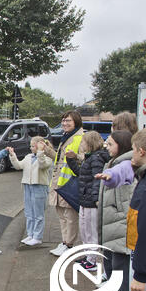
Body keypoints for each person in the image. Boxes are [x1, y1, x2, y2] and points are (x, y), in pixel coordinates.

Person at [110, 129, 146, 291]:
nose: (131, 155)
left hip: (142, 257)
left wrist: (141, 274)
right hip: (138, 251)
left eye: (133, 150)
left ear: (141, 151)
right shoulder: (142, 173)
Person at [93, 131, 135, 291]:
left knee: (120, 265)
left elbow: (118, 174)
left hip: (120, 223)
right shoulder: (114, 161)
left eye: (110, 144)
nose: (106, 147)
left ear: (122, 144)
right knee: (111, 262)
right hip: (112, 223)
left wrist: (109, 175)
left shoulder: (125, 163)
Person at [65, 131, 108, 267]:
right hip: (85, 199)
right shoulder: (90, 157)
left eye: (83, 142)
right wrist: (71, 159)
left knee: (91, 231)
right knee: (85, 229)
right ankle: (89, 256)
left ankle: (92, 260)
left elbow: (97, 179)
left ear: (90, 143)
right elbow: (80, 173)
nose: (81, 144)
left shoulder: (96, 158)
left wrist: (95, 199)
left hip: (91, 201)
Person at [45, 110, 84, 257]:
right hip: (59, 183)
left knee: (70, 217)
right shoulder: (66, 137)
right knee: (62, 217)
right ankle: (64, 242)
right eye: (63, 120)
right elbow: (60, 159)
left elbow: (84, 158)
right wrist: (49, 150)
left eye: (68, 121)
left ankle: (69, 244)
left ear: (76, 122)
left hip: (70, 185)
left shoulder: (80, 137)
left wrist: (77, 156)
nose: (65, 123)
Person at [8, 137, 53, 246]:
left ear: (39, 147)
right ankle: (30, 234)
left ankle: (37, 237)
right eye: (31, 146)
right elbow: (18, 166)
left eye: (33, 146)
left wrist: (41, 152)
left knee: (38, 213)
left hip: (39, 186)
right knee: (29, 212)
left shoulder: (47, 158)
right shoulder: (28, 156)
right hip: (28, 186)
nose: (30, 148)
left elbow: (42, 165)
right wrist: (12, 155)